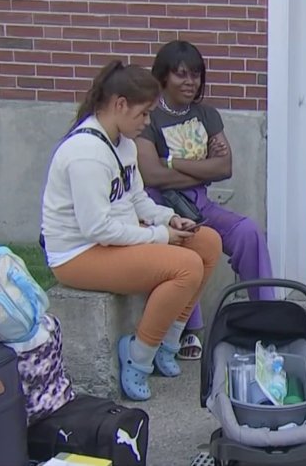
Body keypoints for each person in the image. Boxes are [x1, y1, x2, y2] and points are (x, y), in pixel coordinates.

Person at [41, 60, 222, 401]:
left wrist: (168, 220)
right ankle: (138, 357)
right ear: (119, 105)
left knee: (207, 243)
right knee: (186, 266)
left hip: (113, 239)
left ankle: (168, 342)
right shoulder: (86, 154)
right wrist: (159, 236)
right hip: (79, 254)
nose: (148, 122)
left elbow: (137, 199)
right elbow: (97, 228)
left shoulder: (122, 142)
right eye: (143, 114)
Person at [136, 40, 274, 358]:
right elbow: (151, 174)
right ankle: (189, 330)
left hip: (201, 203)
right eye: (181, 75)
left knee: (248, 232)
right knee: (192, 242)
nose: (190, 82)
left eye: (196, 75)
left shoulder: (206, 114)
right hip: (163, 204)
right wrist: (203, 169)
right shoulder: (150, 117)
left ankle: (267, 316)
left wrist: (171, 162)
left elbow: (224, 167)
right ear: (162, 77)